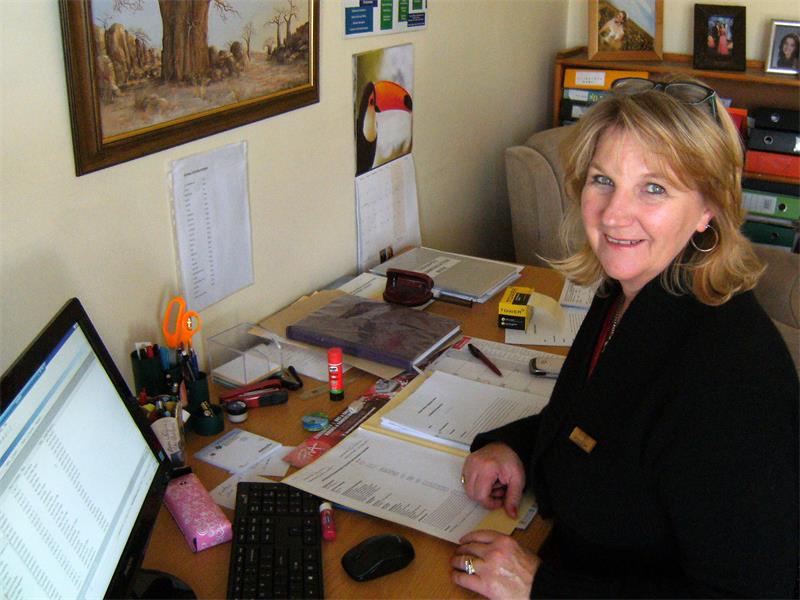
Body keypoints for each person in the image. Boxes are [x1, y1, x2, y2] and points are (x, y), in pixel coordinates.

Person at [450, 75, 799, 598]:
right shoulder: (632, 290)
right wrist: (515, 447)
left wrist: (540, 586)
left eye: (654, 188)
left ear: (708, 208)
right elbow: (600, 422)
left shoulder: (731, 381)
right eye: (602, 180)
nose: (614, 214)